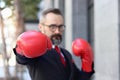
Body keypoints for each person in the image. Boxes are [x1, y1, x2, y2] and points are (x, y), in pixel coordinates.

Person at [13, 8, 95, 80]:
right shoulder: (37, 53)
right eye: (53, 27)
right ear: (41, 27)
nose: (57, 31)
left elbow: (79, 78)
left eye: (61, 27)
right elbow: (22, 59)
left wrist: (87, 64)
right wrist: (20, 49)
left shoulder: (66, 54)